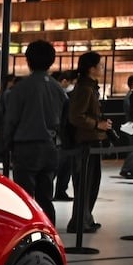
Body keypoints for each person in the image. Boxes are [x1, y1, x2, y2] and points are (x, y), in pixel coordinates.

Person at [1, 40, 68, 223]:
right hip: (51, 147)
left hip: (26, 148)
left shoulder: (21, 88)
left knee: (25, 198)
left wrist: (5, 145)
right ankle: (48, 231)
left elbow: (11, 120)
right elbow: (64, 119)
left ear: (28, 60)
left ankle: (28, 232)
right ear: (52, 61)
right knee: (46, 197)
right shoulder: (58, 88)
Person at [66, 51, 113, 233]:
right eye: (100, 65)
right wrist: (97, 124)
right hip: (86, 142)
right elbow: (76, 116)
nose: (102, 68)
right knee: (85, 184)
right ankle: (79, 222)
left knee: (91, 183)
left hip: (92, 140)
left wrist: (101, 124)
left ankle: (85, 218)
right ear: (91, 68)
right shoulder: (85, 89)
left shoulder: (90, 87)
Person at [53, 69, 78, 200]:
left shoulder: (68, 95)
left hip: (66, 136)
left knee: (66, 166)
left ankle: (61, 191)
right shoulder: (58, 94)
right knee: (57, 165)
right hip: (60, 135)